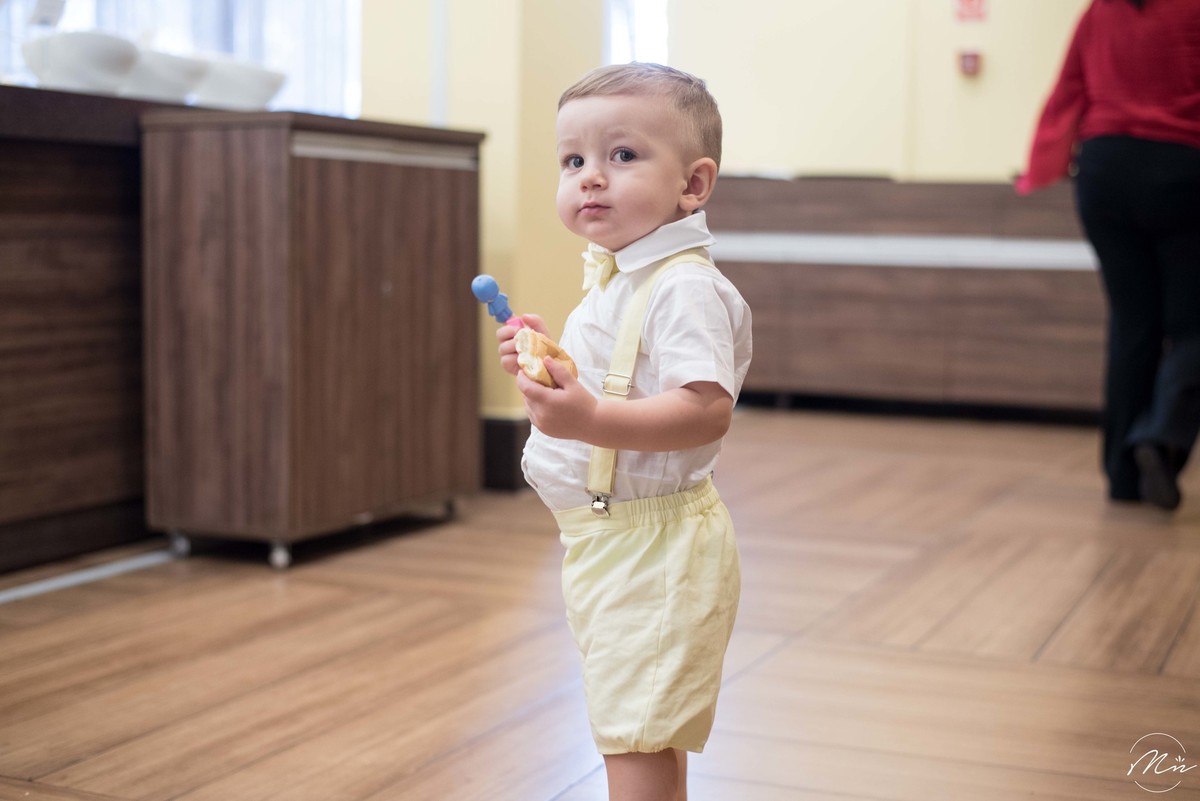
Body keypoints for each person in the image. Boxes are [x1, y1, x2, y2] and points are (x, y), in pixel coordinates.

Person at [492, 63, 752, 800]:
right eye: (573, 160)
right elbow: (621, 378)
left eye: (623, 155)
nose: (591, 178)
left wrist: (590, 418)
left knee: (634, 735)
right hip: (612, 542)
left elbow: (705, 408)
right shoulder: (622, 276)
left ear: (693, 184)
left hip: (654, 547)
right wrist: (553, 363)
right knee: (640, 723)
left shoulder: (683, 286)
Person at [1017, 0, 1200, 511]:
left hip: (1105, 172)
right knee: (1192, 327)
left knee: (1132, 324)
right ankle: (1160, 436)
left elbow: (1069, 89)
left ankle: (1122, 476)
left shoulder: (1101, 11)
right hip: (1183, 168)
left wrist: (1043, 163)